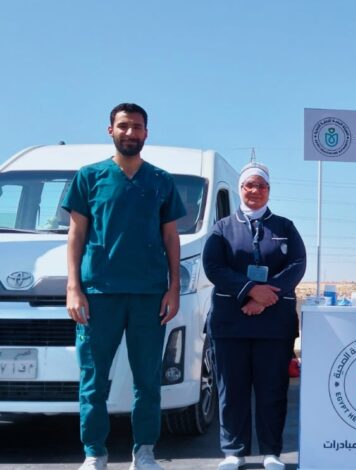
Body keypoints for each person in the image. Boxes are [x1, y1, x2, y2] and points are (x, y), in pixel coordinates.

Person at [64, 103, 186, 470]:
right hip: (98, 294)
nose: (130, 132)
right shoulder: (89, 177)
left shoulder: (161, 181)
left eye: (137, 127)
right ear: (111, 130)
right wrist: (73, 287)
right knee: (93, 379)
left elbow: (171, 237)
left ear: (146, 133)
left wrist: (173, 288)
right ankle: (94, 453)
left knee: (147, 379)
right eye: (123, 126)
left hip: (149, 294)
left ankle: (144, 452)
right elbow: (76, 235)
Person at [202, 161, 306, 470]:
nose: (255, 191)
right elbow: (214, 266)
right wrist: (249, 290)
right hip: (230, 324)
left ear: (269, 191)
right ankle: (233, 452)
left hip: (273, 325)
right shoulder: (222, 228)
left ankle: (272, 452)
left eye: (261, 186)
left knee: (272, 390)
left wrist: (265, 297)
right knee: (232, 389)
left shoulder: (285, 228)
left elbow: (297, 265)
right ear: (240, 189)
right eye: (249, 185)